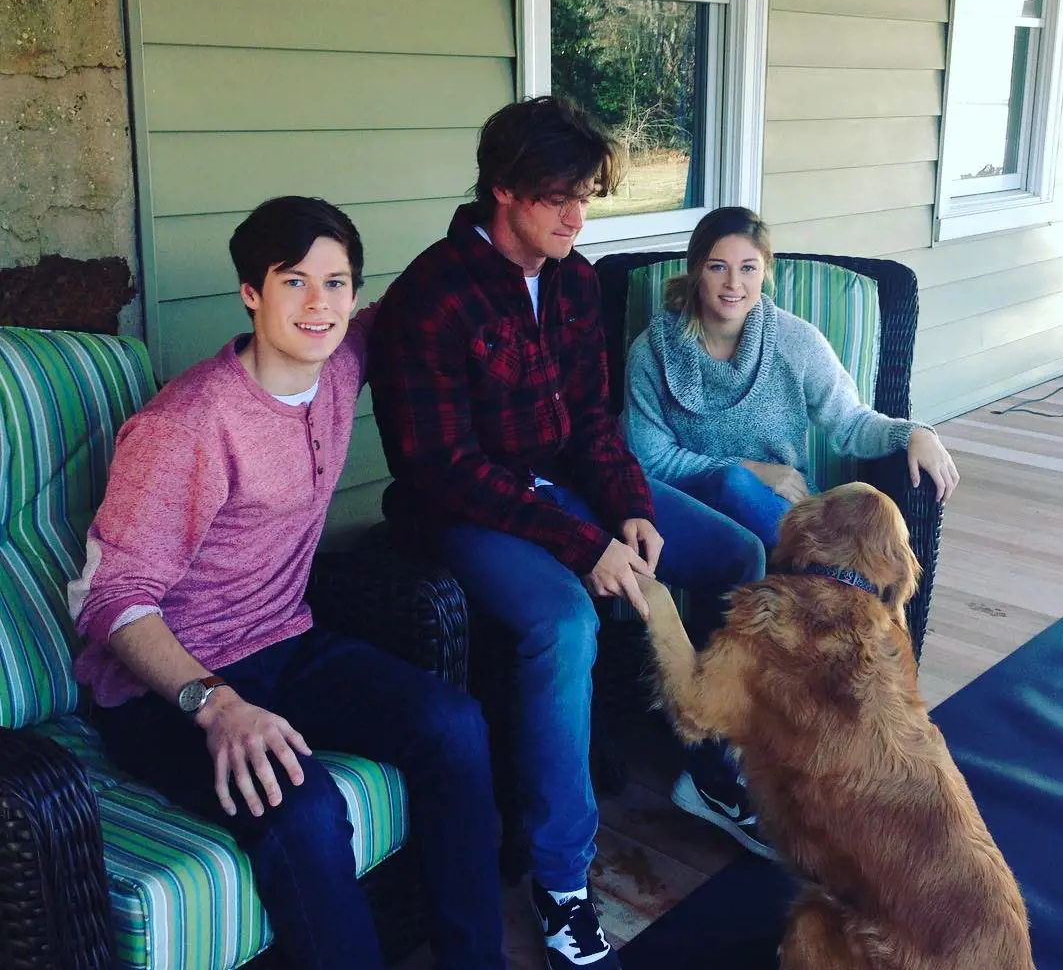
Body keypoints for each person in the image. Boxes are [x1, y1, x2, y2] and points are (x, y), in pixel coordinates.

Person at [368, 97, 770, 970]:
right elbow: (440, 467)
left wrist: (625, 502)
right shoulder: (429, 298)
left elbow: (593, 423)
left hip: (571, 492)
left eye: (586, 195)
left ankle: (710, 761)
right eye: (559, 198)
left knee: (736, 552)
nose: (577, 217)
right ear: (503, 190)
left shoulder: (578, 280)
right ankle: (562, 883)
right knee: (564, 624)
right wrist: (581, 544)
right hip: (466, 513)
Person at [68, 196, 505, 970]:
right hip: (167, 690)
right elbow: (112, 597)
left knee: (454, 725)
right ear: (251, 292)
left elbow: (395, 308)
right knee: (301, 810)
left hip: (282, 641)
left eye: (335, 283)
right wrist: (215, 705)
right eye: (294, 281)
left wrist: (502, 210)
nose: (319, 305)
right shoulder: (189, 426)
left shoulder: (340, 363)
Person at [622, 206, 959, 551]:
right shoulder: (652, 352)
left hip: (777, 511)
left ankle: (822, 579)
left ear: (766, 270)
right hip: (686, 512)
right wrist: (750, 469)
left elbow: (851, 423)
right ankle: (826, 579)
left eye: (748, 268)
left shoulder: (796, 342)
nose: (733, 284)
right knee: (735, 483)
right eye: (717, 266)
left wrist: (913, 433)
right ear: (696, 271)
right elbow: (649, 459)